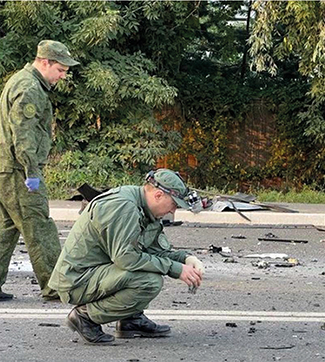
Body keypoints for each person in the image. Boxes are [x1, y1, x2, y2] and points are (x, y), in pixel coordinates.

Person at [48, 169, 205, 344]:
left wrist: (186, 260)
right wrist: (174, 269)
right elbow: (126, 258)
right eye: (174, 204)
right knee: (148, 281)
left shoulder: (145, 208)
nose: (173, 211)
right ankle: (85, 317)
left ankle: (131, 320)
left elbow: (154, 250)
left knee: (148, 268)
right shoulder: (124, 207)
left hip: (97, 273)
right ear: (159, 195)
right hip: (76, 281)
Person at [0, 40, 80, 301]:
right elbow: (24, 136)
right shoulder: (29, 88)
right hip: (19, 171)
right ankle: (56, 286)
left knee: (6, 228)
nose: (63, 75)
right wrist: (31, 172)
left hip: (6, 169)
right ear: (45, 62)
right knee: (39, 226)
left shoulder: (20, 81)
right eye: (61, 69)